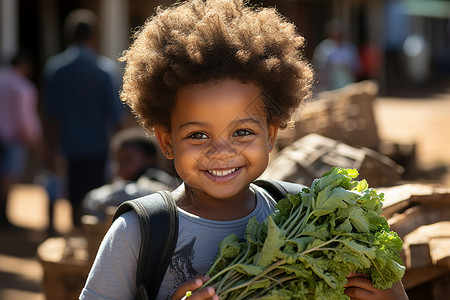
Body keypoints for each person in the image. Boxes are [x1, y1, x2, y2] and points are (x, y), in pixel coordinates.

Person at [80, 1, 408, 300]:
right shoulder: (140, 233)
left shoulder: (303, 216)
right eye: (197, 135)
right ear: (166, 141)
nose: (221, 151)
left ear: (271, 135)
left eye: (242, 132)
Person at [43, 9, 124, 230]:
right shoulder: (104, 70)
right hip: (97, 146)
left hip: (68, 146)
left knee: (73, 197)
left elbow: (50, 114)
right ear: (93, 36)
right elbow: (117, 116)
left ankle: (75, 235)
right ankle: (91, 246)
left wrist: (50, 148)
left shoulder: (56, 69)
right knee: (96, 199)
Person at [82, 127, 179, 220]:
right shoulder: (120, 184)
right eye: (119, 160)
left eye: (128, 159)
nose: (122, 166)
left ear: (149, 159)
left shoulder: (155, 179)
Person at [0, 50, 43, 228]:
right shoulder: (23, 87)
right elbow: (26, 118)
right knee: (8, 178)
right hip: (13, 139)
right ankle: (3, 215)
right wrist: (36, 141)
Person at [312, 19, 361, 92]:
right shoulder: (324, 48)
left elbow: (356, 67)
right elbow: (318, 66)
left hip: (347, 84)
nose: (337, 36)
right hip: (329, 86)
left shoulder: (349, 48)